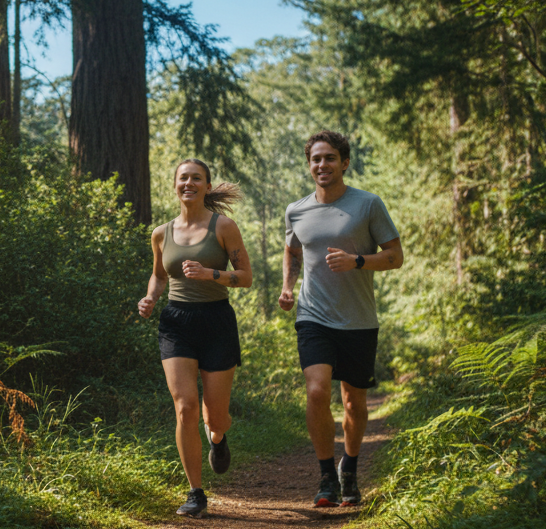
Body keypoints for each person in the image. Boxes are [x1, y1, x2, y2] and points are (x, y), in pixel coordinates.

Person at [278, 131, 403, 508]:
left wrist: (358, 261)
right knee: (316, 390)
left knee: (353, 403)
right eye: (316, 159)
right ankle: (326, 476)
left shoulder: (367, 205)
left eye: (330, 158)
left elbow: (396, 256)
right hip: (313, 315)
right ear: (309, 165)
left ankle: (349, 467)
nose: (322, 165)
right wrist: (287, 286)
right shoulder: (296, 210)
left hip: (358, 319)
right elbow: (292, 250)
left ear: (344, 162)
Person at [137, 158, 253, 518]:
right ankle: (195, 492)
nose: (189, 183)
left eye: (196, 178)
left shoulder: (224, 227)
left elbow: (245, 277)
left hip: (217, 322)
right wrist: (150, 298)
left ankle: (217, 439)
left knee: (215, 417)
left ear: (206, 185)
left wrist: (210, 274)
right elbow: (159, 275)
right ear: (175, 184)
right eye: (183, 178)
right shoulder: (161, 233)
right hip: (176, 323)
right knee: (185, 406)